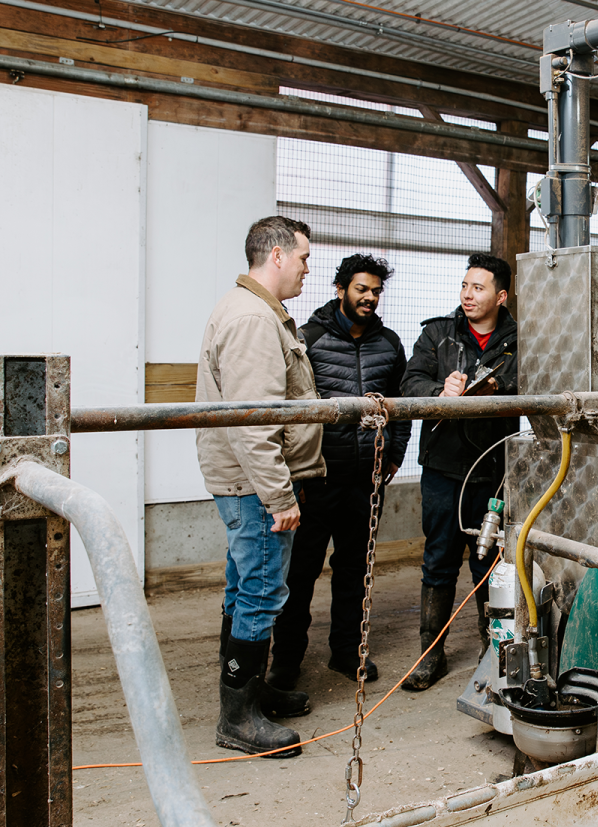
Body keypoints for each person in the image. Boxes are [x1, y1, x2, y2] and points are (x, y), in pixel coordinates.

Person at [196, 215, 324, 758]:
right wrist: (280, 497)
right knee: (262, 591)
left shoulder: (256, 311)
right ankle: (238, 717)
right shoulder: (253, 319)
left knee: (246, 586)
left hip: (248, 483)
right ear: (276, 256)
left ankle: (250, 689)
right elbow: (254, 424)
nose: (306, 269)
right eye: (302, 259)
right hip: (257, 487)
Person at [268, 253, 411, 690]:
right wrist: (295, 471)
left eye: (375, 291)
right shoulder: (307, 338)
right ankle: (286, 663)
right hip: (318, 477)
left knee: (354, 570)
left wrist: (395, 453)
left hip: (366, 479)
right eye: (361, 289)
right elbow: (291, 407)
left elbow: (401, 405)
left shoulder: (389, 343)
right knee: (301, 573)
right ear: (340, 289)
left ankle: (347, 654)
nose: (369, 298)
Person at [399, 252, 518, 691]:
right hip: (444, 467)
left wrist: (498, 387)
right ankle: (431, 655)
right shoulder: (437, 334)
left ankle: (494, 649)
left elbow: (533, 383)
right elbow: (409, 384)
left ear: (501, 296)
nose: (468, 295)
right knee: (439, 558)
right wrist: (438, 390)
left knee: (488, 561)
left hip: (494, 468)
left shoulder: (519, 340)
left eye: (479, 287)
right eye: (465, 286)